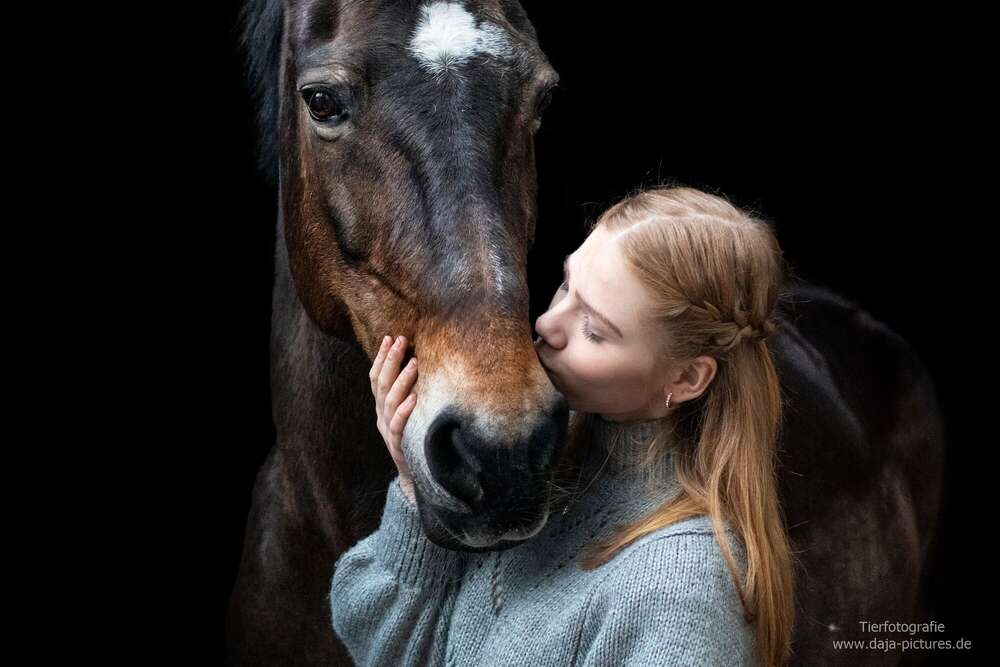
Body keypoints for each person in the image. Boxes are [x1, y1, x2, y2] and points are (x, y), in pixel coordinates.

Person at [330, 185, 797, 666]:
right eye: (566, 284)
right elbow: (392, 650)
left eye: (594, 330)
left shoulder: (681, 589)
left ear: (686, 377)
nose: (548, 324)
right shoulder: (532, 460)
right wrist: (415, 481)